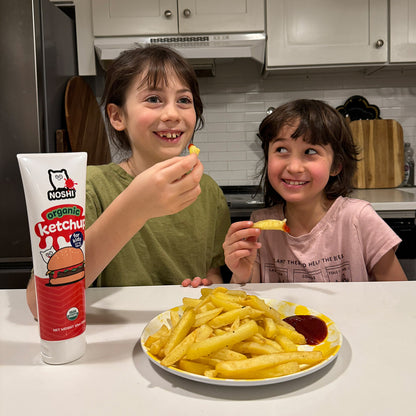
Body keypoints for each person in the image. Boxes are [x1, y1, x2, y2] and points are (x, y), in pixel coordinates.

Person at [27, 45, 230, 317]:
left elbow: (212, 273)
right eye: (154, 99)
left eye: (184, 100)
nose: (172, 114)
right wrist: (136, 206)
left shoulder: (208, 191)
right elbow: (40, 306)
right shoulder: (88, 187)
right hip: (111, 338)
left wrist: (206, 287)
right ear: (117, 116)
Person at [223, 99, 408, 283]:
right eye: (281, 149)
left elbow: (398, 294)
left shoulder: (358, 219)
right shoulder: (259, 225)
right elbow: (245, 303)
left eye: (310, 152)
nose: (294, 167)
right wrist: (241, 273)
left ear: (336, 165)